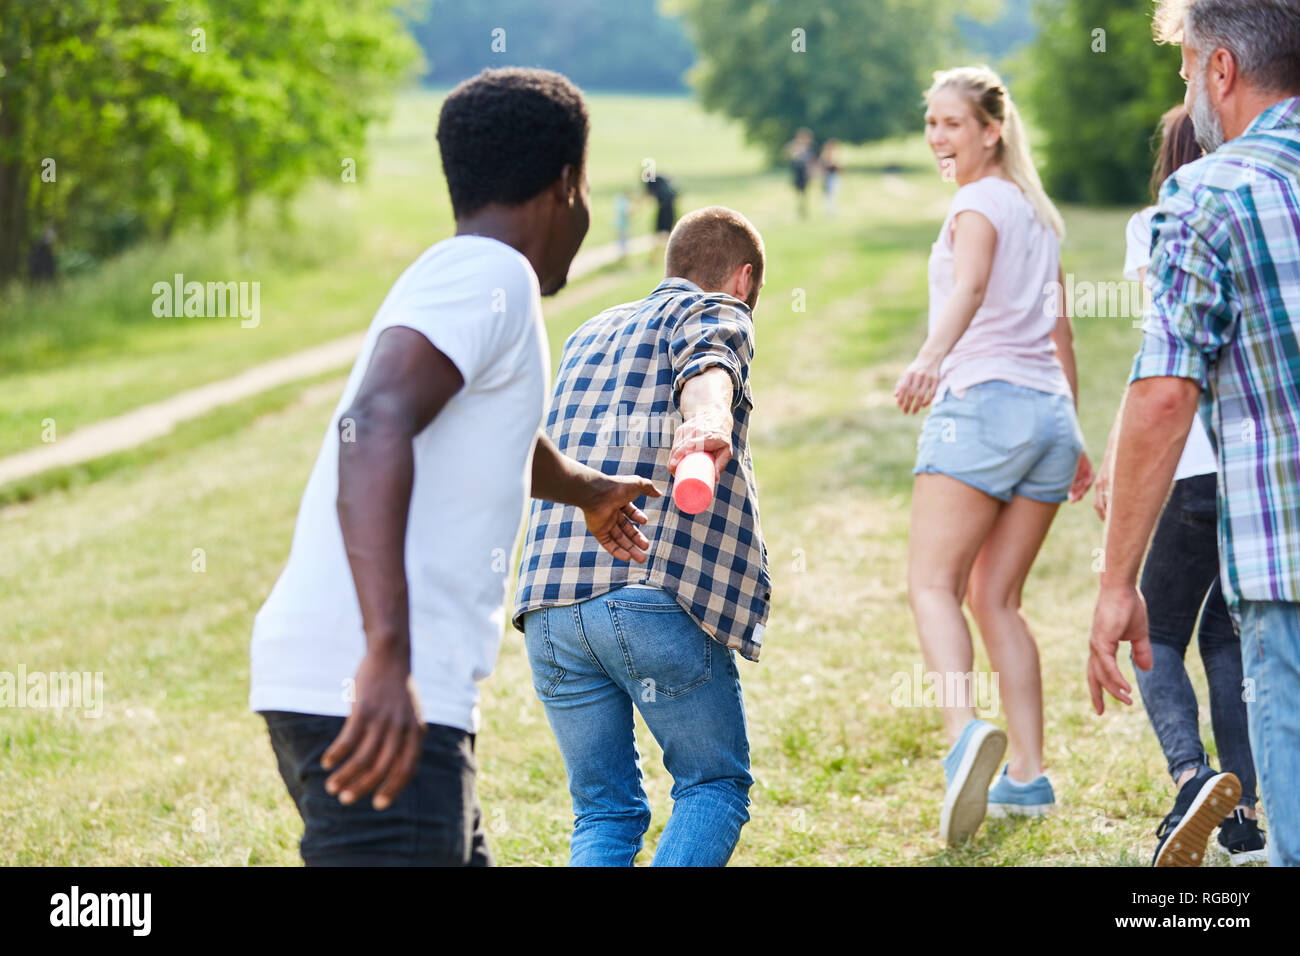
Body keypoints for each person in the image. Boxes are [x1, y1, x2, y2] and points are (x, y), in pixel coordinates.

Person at [248, 67, 659, 867]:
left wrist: (587, 490)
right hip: (372, 686)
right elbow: (371, 425)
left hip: (359, 683)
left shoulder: (473, 278)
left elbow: (490, 435)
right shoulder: (490, 273)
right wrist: (387, 652)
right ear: (569, 184)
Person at [1089, 0, 1300, 869]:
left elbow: (1164, 396)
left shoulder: (1212, 191)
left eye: (1186, 69)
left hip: (1283, 555)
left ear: (1221, 69)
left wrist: (1114, 581)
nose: (1188, 89)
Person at [512, 206, 770, 866]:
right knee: (712, 784)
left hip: (547, 604)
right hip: (643, 589)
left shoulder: (588, 332)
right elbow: (711, 365)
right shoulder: (716, 310)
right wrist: (705, 420)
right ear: (742, 280)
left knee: (604, 809)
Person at [896, 65, 1093, 847]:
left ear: (992, 129)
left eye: (953, 123)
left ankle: (961, 740)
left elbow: (970, 289)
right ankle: (1030, 778)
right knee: (998, 599)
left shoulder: (976, 202)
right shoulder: (1038, 214)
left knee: (932, 585)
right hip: (1046, 415)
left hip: (982, 406)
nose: (939, 137)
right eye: (932, 123)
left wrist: (929, 357)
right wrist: (1072, 430)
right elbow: (1062, 333)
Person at [783, 128, 816, 217]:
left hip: (804, 174)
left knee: (804, 192)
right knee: (798, 191)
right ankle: (800, 208)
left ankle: (803, 209)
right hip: (797, 173)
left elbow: (810, 161)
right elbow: (787, 152)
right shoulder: (795, 147)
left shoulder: (808, 149)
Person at [820, 139, 843, 217]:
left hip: (833, 176)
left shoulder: (835, 156)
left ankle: (832, 212)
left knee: (833, 194)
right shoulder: (823, 156)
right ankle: (828, 212)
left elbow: (839, 168)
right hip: (826, 177)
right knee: (827, 195)